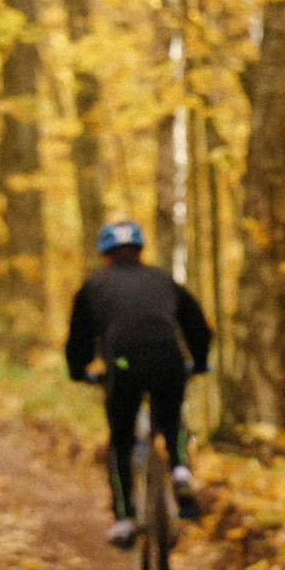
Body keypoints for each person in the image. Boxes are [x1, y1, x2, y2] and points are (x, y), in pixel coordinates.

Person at [65, 220, 213, 547]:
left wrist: (79, 371)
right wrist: (199, 361)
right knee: (171, 416)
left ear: (105, 256)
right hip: (168, 358)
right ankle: (180, 470)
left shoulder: (93, 285)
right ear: (140, 250)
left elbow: (79, 338)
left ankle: (125, 518)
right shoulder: (163, 279)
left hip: (122, 364)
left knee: (121, 439)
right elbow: (197, 324)